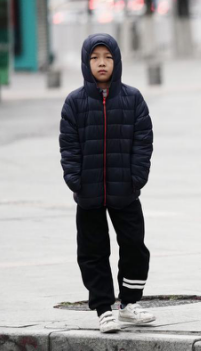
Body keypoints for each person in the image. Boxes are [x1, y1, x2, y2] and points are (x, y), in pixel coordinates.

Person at [59, 34, 155, 334]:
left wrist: (136, 178)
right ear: (86, 63)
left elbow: (143, 141)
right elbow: (68, 145)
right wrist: (75, 180)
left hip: (125, 192)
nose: (101, 63)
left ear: (117, 61)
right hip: (88, 194)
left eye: (108, 57)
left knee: (134, 246)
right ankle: (103, 308)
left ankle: (129, 304)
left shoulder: (133, 98)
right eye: (95, 57)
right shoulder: (75, 102)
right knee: (92, 250)